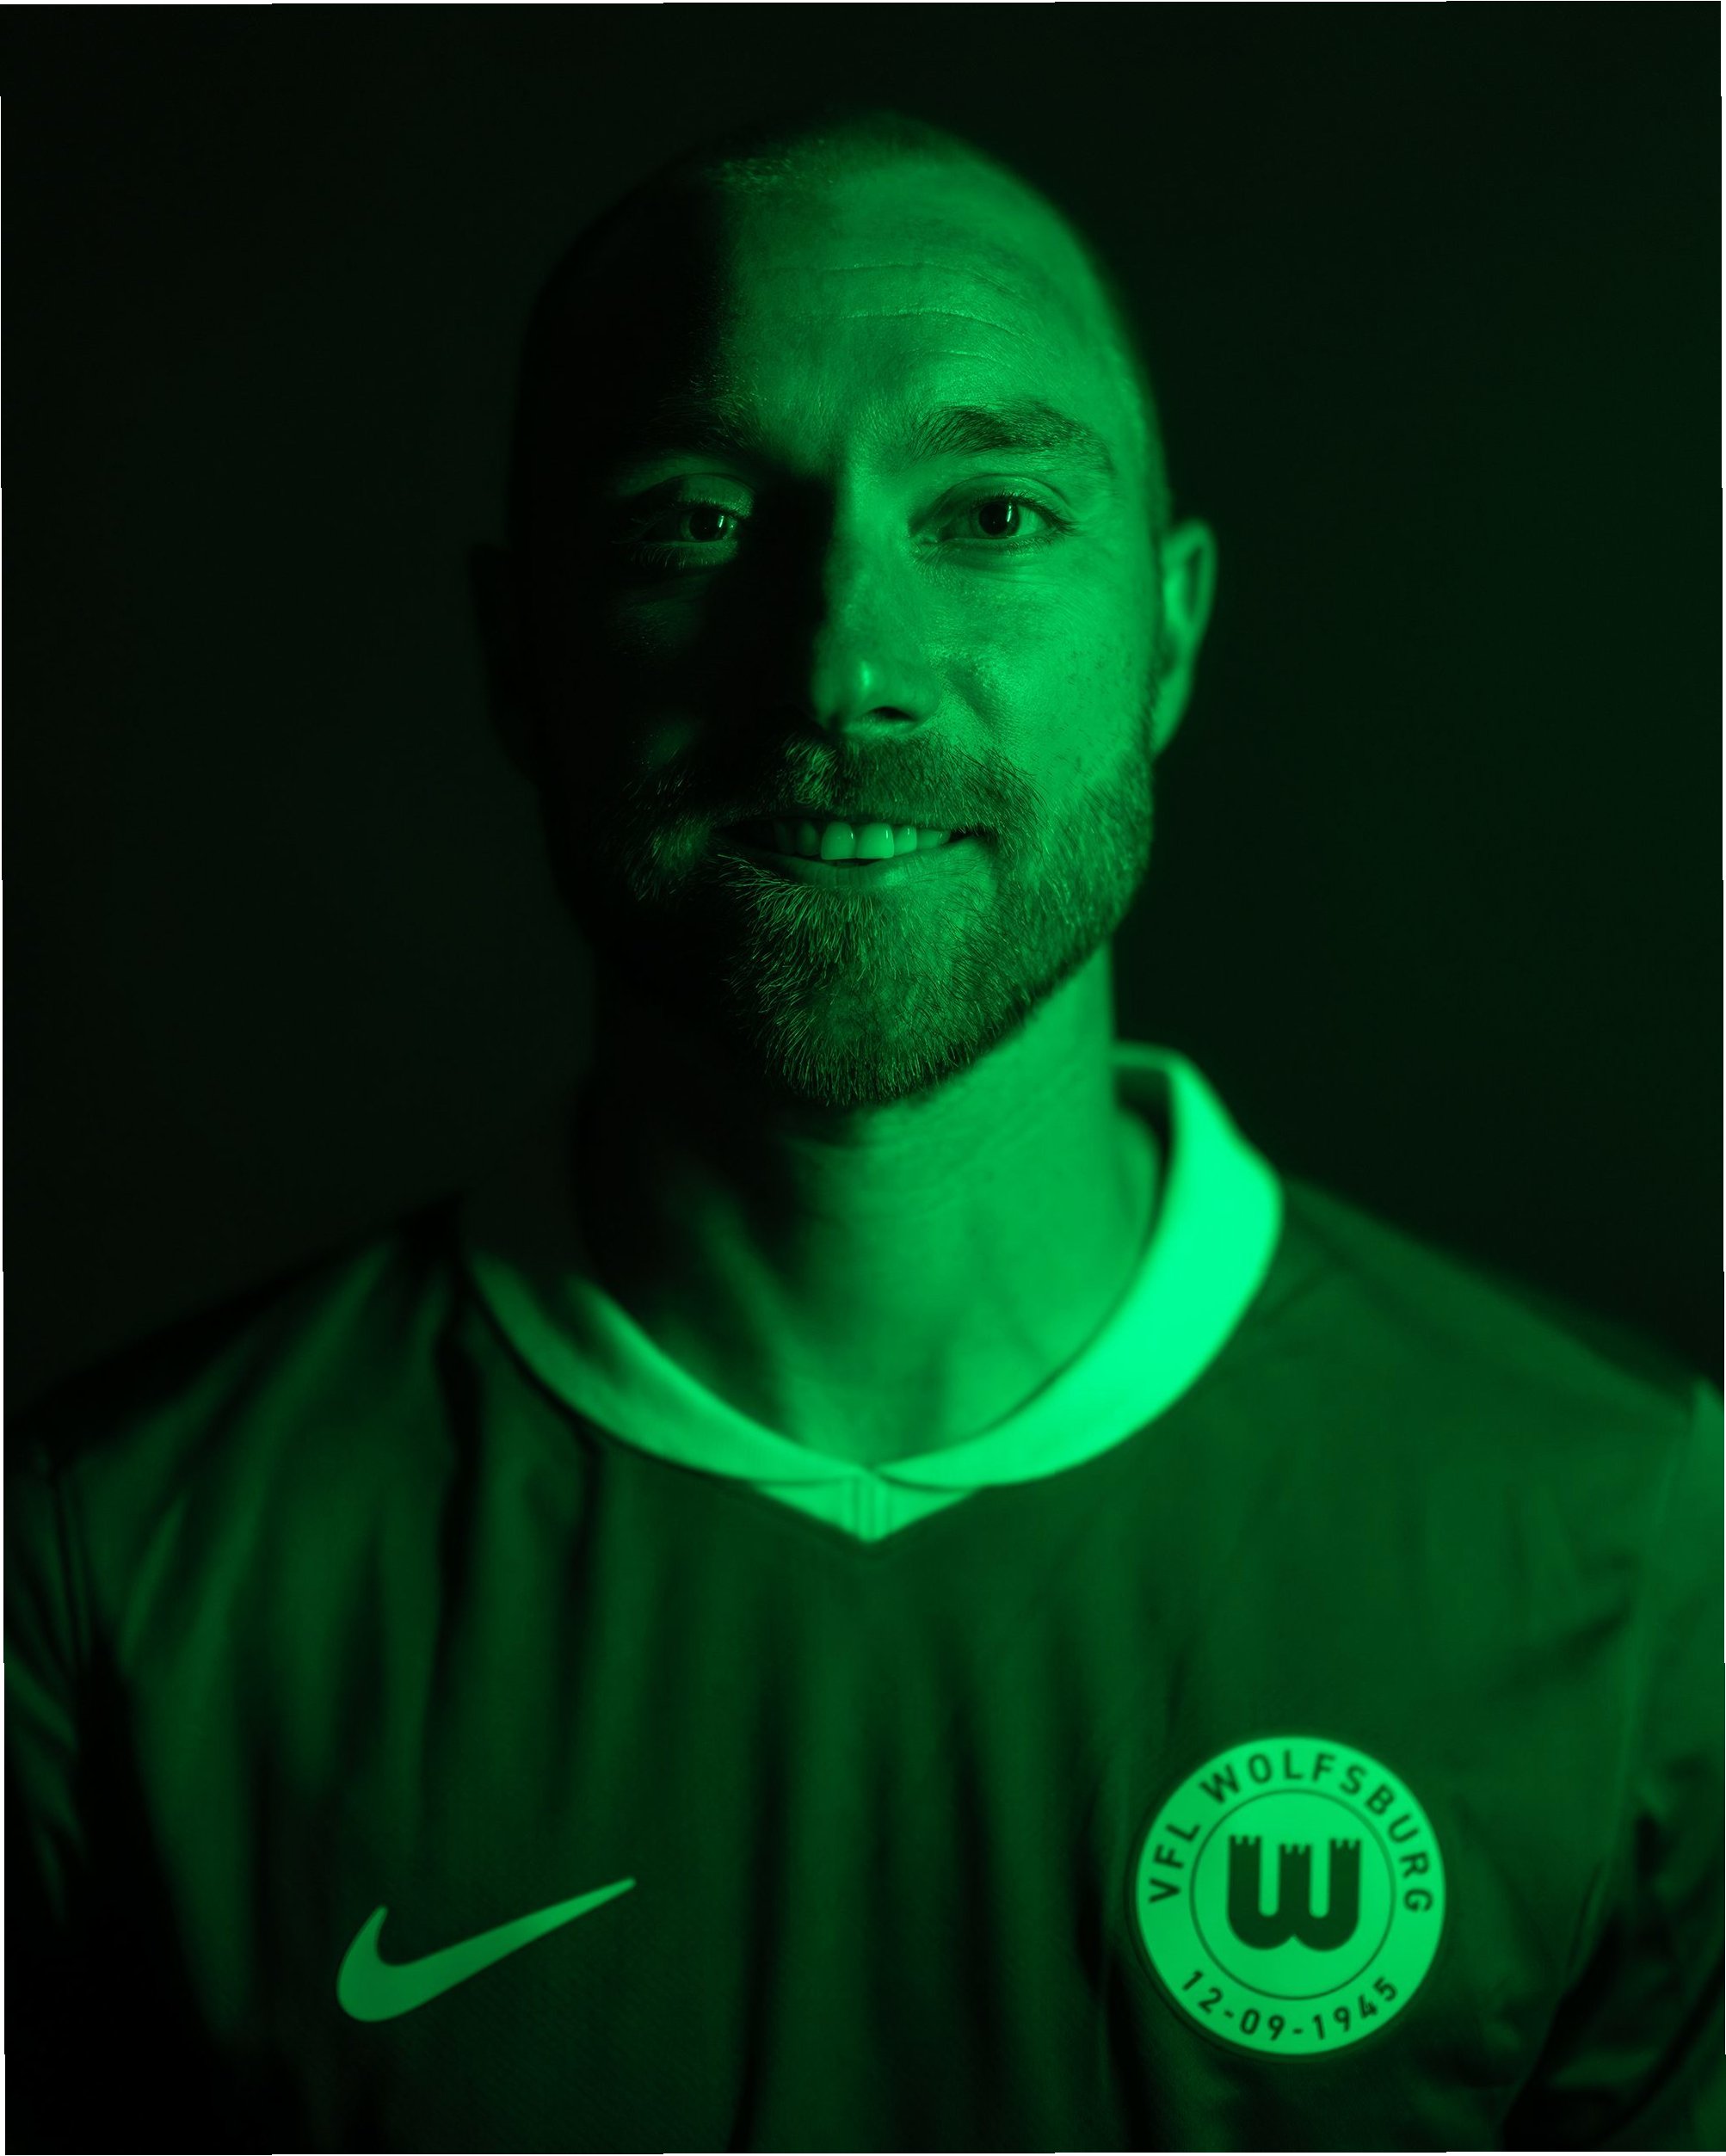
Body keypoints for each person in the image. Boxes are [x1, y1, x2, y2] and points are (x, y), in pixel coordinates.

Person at [7, 104, 1721, 2156]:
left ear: (1168, 631)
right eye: (693, 520)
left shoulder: (1640, 1551)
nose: (842, 667)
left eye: (989, 513)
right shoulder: (105, 1570)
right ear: (516, 656)